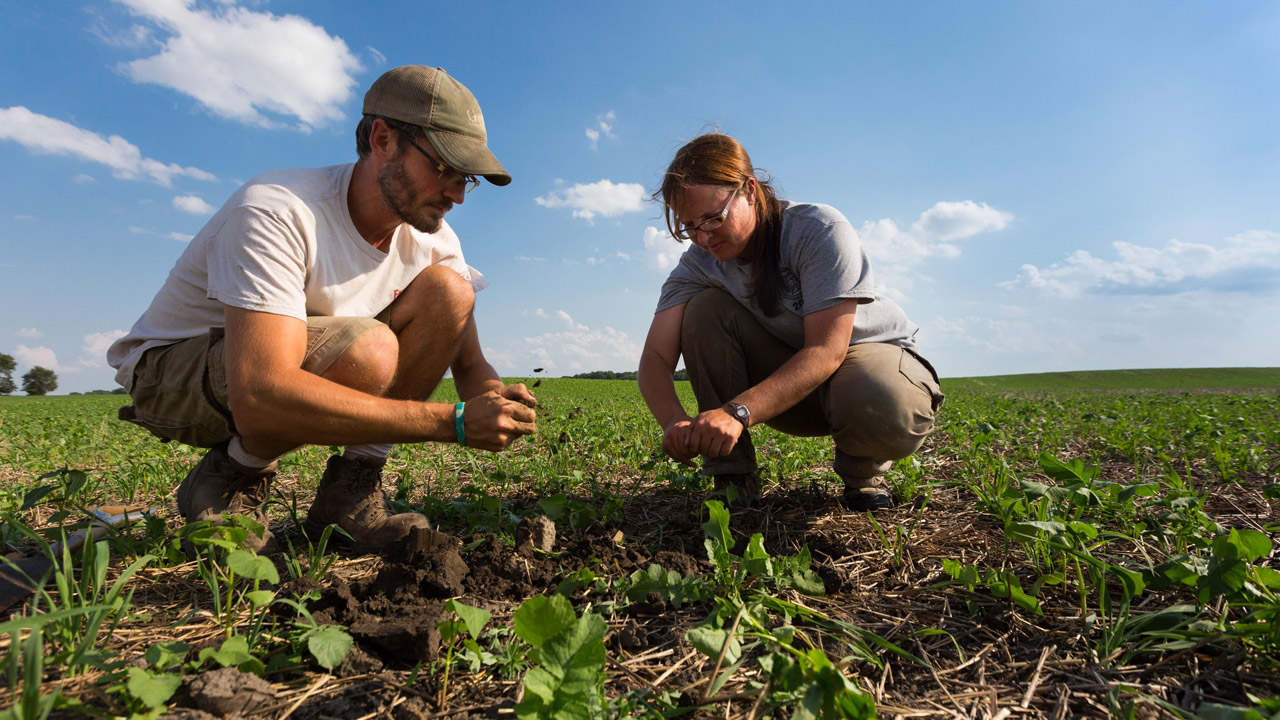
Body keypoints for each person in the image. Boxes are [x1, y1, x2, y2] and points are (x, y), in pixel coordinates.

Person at [107, 66, 537, 551]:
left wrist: (497, 401)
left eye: (467, 180)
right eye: (444, 170)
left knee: (452, 292)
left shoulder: (434, 240)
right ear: (382, 139)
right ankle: (231, 479)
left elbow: (471, 363)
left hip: (276, 368)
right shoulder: (278, 209)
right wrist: (452, 422)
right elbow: (261, 392)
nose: (457, 195)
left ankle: (350, 497)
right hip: (174, 373)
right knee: (369, 351)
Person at [637, 133, 943, 511]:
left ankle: (863, 473)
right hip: (791, 392)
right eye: (689, 226)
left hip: (861, 368)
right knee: (703, 309)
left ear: (749, 190)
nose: (703, 237)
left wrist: (737, 411)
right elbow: (655, 356)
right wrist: (672, 421)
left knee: (882, 397)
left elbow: (827, 350)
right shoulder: (699, 265)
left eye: (714, 218)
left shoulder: (815, 229)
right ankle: (733, 477)